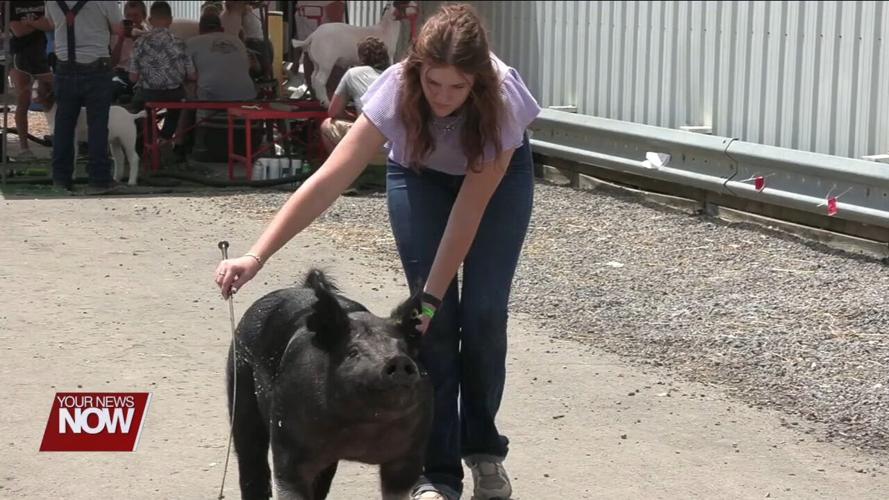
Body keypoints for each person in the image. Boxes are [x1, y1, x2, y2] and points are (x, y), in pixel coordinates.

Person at [214, 4, 540, 500]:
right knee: (432, 327)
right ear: (416, 70)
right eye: (434, 85)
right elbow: (327, 181)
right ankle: (437, 475)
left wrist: (430, 297)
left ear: (477, 81)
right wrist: (255, 256)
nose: (444, 99)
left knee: (483, 316)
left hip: (495, 185)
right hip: (418, 175)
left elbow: (467, 217)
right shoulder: (392, 89)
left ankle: (485, 453)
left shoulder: (503, 97)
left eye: (458, 87)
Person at [37, 1, 123, 192]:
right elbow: (118, 28)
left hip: (64, 66)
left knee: (63, 126)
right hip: (96, 66)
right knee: (98, 125)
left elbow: (51, 23)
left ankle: (61, 178)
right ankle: (99, 179)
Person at [129, 1, 194, 141]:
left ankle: (150, 139)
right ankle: (165, 137)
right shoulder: (180, 43)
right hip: (174, 94)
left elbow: (133, 78)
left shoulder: (139, 43)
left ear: (150, 20)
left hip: (147, 94)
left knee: (137, 107)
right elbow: (192, 75)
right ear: (170, 20)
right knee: (178, 104)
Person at [319, 35, 388, 161]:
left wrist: (354, 118)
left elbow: (333, 111)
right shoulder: (392, 74)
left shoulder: (353, 73)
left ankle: (343, 170)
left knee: (327, 125)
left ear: (361, 57)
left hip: (369, 147)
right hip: (395, 149)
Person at [7, 1, 52, 160]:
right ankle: (24, 148)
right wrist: (37, 24)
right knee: (23, 100)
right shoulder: (10, 4)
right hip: (19, 56)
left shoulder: (43, 2)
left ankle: (58, 139)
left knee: (50, 98)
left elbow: (50, 24)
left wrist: (29, 23)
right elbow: (18, 30)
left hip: (39, 55)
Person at [110, 0, 149, 105]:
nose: (131, 19)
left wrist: (138, 41)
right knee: (112, 87)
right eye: (128, 16)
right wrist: (121, 39)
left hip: (140, 76)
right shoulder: (116, 34)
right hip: (120, 73)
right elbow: (113, 62)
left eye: (135, 15)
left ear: (144, 16)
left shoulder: (148, 36)